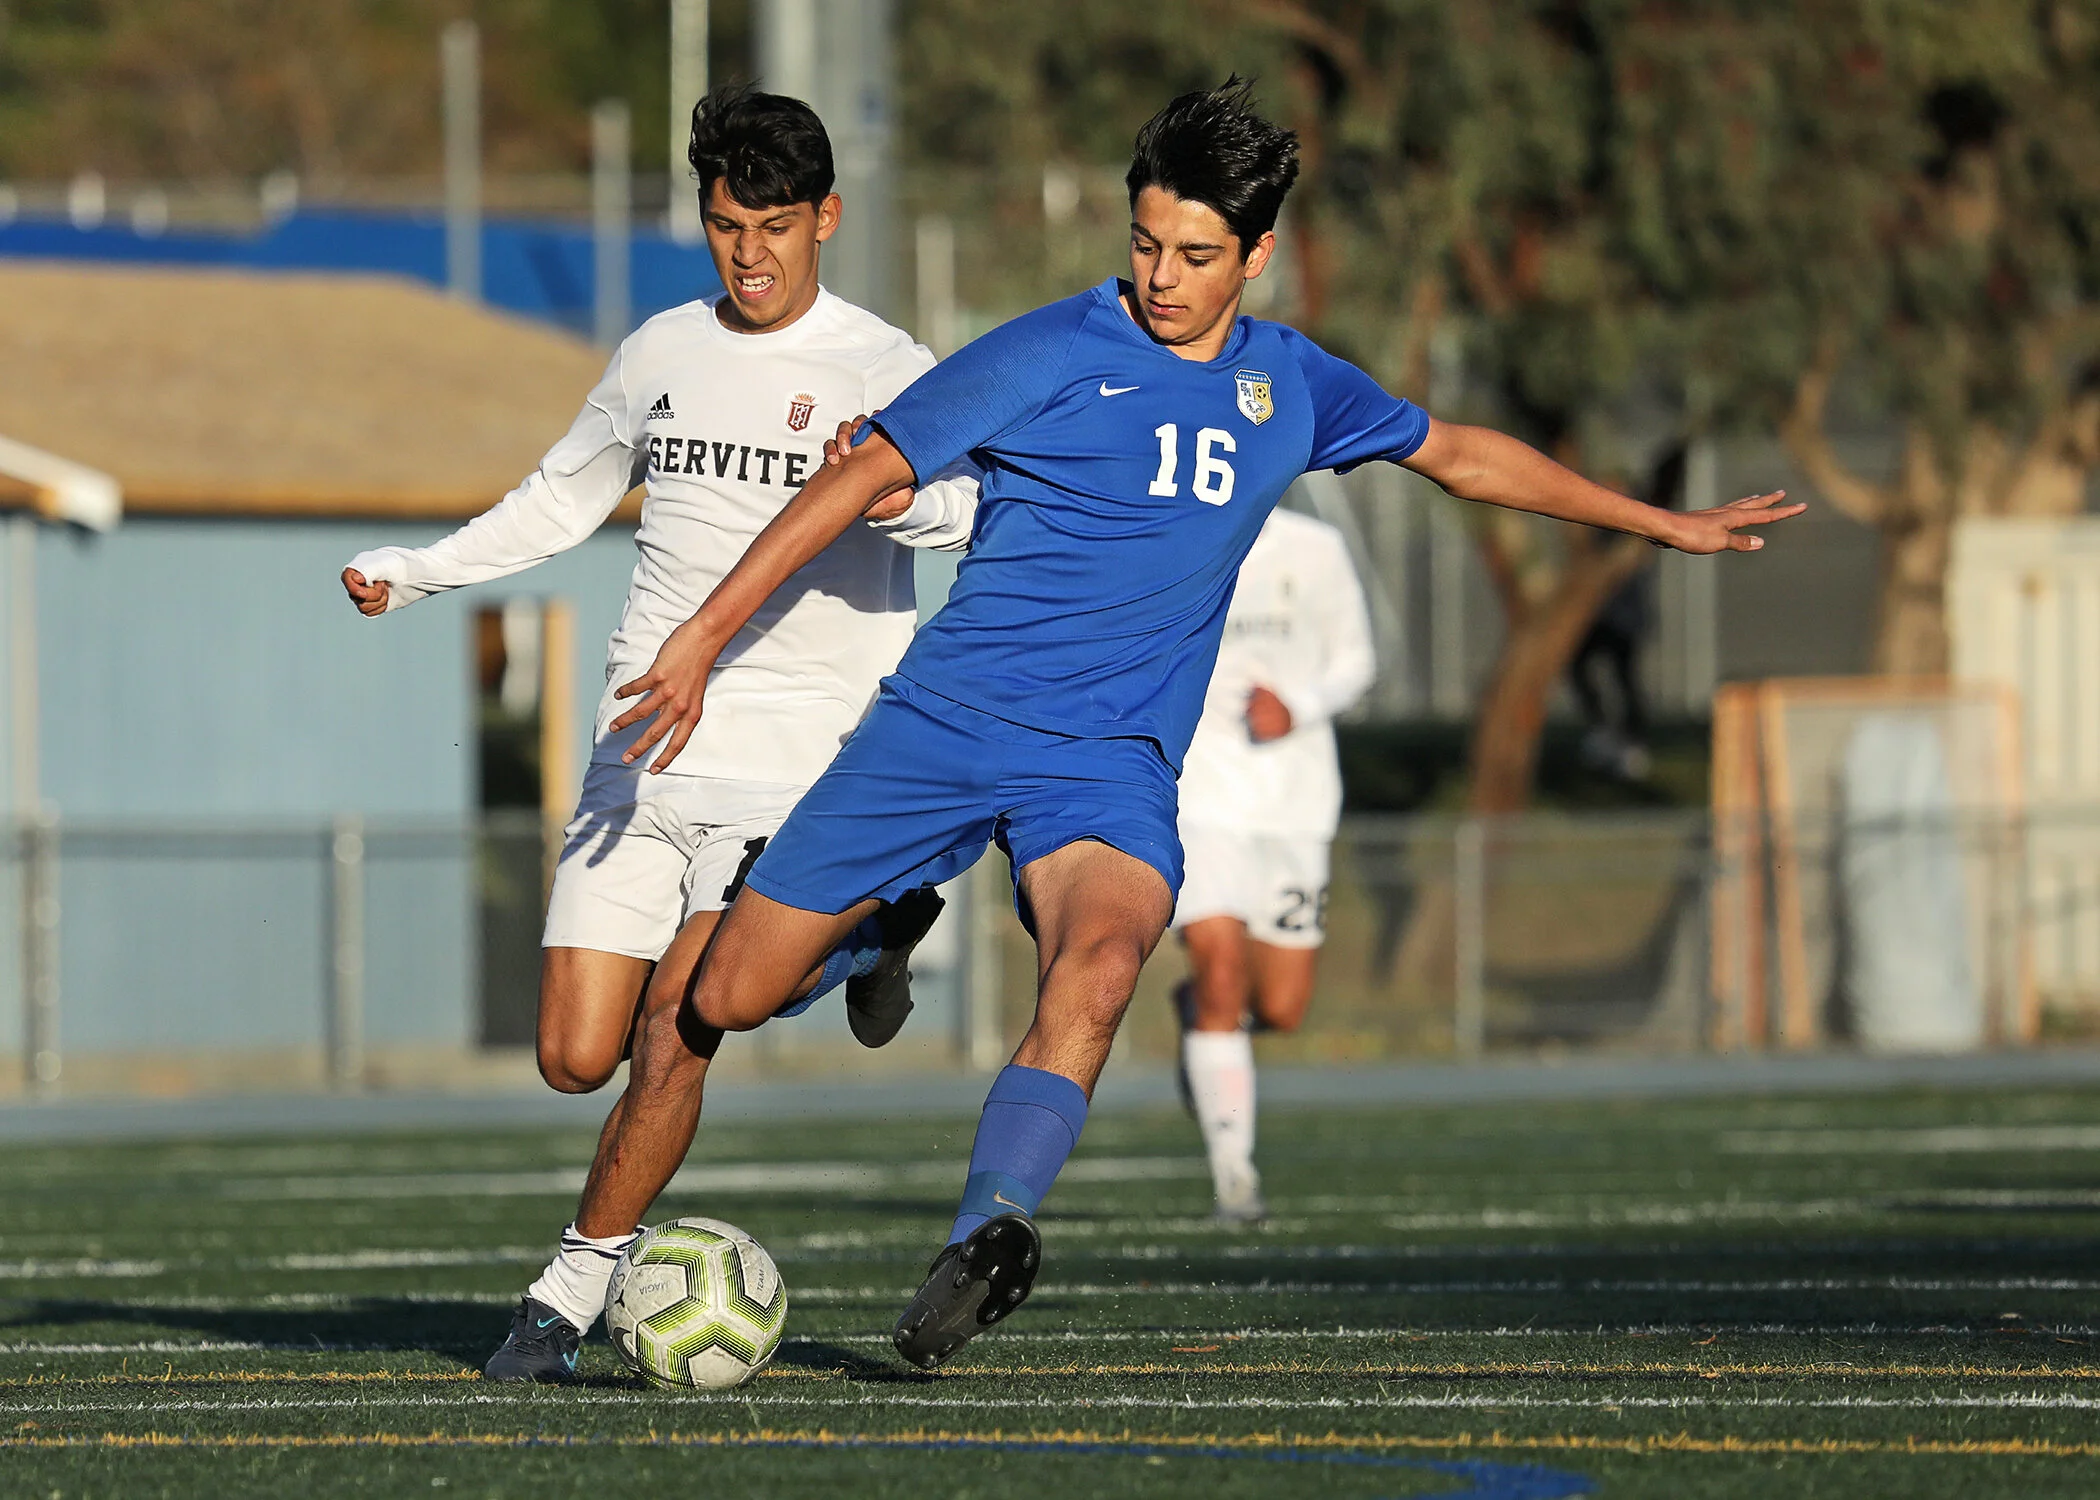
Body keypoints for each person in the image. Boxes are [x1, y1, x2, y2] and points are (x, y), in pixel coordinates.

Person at [573, 78, 1803, 1374]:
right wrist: (704, 636)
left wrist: (1661, 523)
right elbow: (862, 476)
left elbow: (1464, 457)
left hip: (1110, 764)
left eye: (1198, 255)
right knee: (727, 994)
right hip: (944, 724)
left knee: (1101, 967)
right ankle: (881, 925)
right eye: (1146, 244)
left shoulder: (1297, 385)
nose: (1163, 276)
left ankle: (985, 1237)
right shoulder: (1044, 350)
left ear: (1257, 257)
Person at [337, 87, 977, 1382]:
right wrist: (417, 570)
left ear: (827, 222)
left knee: (681, 1019)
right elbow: (556, 501)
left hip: (795, 765)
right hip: (641, 755)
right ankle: (871, 931)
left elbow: (969, 509)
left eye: (777, 226)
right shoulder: (659, 352)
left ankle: (562, 1302)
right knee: (576, 1055)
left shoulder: (889, 368)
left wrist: (892, 487)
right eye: (728, 225)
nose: (749, 254)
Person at [1170, 505, 1373, 1225]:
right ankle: (1235, 1182)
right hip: (1202, 797)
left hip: (1295, 805)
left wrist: (1297, 703)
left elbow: (1358, 661)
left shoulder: (1314, 548)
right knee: (1222, 973)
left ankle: (1201, 1020)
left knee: (1281, 1008)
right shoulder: (1176, 536)